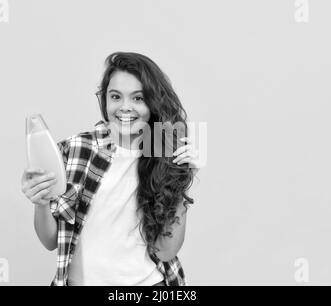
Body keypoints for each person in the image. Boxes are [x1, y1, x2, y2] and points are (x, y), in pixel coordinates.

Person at [21, 52, 201, 286]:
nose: (125, 108)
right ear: (104, 100)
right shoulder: (74, 150)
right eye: (116, 96)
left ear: (153, 103)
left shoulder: (165, 156)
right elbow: (50, 240)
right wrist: (40, 201)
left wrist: (182, 178)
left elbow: (165, 251)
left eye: (138, 98)